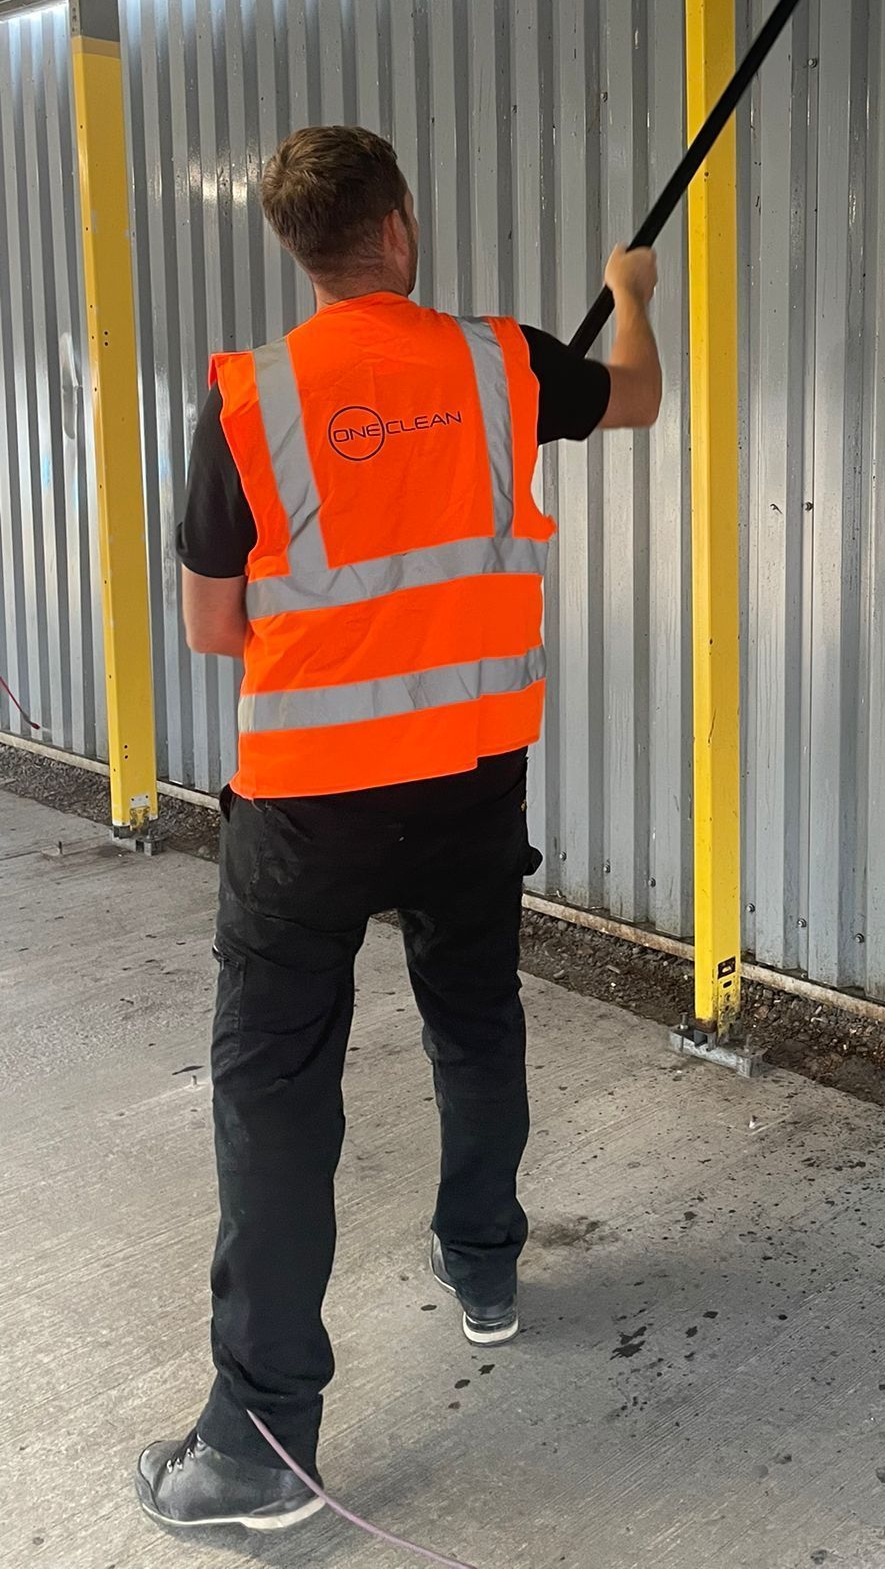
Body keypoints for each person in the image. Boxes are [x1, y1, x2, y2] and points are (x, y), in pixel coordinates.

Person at [136, 125, 661, 1533]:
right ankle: (484, 1263)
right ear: (400, 228)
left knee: (276, 1087)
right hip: (472, 783)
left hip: (309, 808)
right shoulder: (504, 364)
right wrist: (636, 288)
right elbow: (636, 402)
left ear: (299, 249)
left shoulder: (249, 401)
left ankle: (258, 1444)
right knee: (475, 1017)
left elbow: (212, 626)